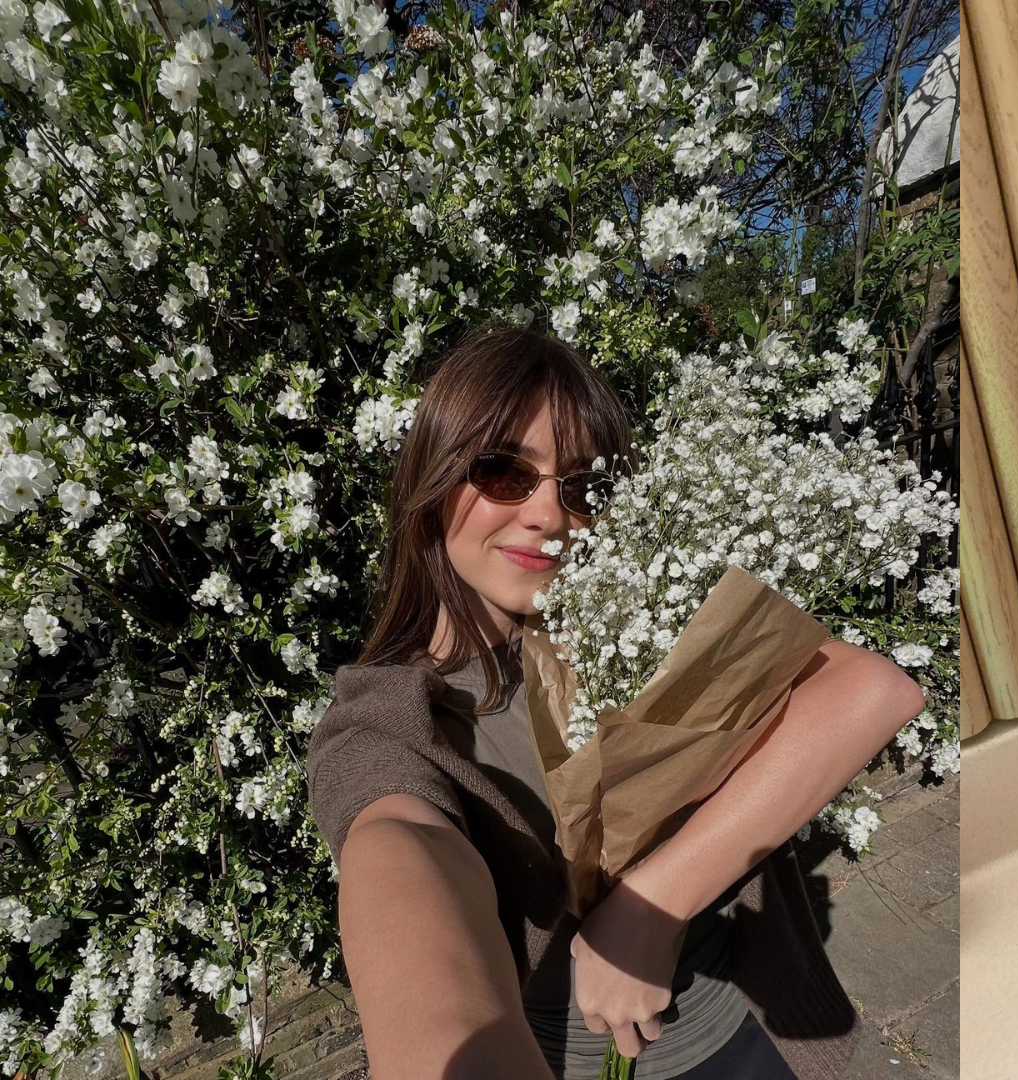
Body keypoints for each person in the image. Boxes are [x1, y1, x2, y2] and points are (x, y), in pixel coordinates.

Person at [303, 326, 927, 1079]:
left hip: (736, 1032)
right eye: (505, 472)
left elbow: (874, 689)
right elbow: (401, 852)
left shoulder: (648, 621)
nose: (547, 514)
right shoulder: (390, 728)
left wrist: (646, 908)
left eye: (581, 485)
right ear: (432, 483)